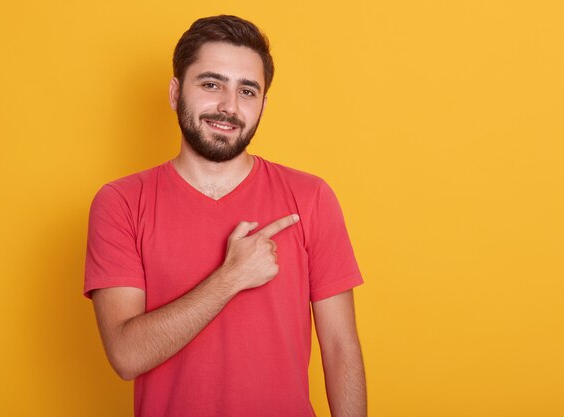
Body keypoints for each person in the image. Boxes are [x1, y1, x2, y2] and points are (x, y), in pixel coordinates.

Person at [84, 15, 366, 417]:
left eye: (247, 91)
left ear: (263, 104)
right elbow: (127, 355)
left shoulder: (311, 197)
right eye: (211, 84)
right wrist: (231, 277)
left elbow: (341, 347)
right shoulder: (121, 203)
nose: (229, 106)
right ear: (175, 92)